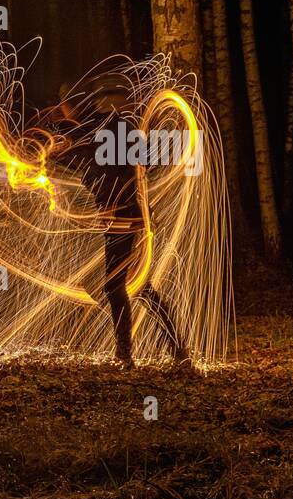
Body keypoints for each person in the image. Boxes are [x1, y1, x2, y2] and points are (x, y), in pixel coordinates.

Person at [35, 74, 188, 367]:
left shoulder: (99, 129)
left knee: (116, 286)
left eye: (65, 104)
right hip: (129, 217)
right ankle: (176, 350)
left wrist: (55, 153)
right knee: (138, 287)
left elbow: (102, 166)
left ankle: (126, 355)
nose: (62, 109)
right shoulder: (117, 128)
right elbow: (141, 164)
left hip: (122, 218)